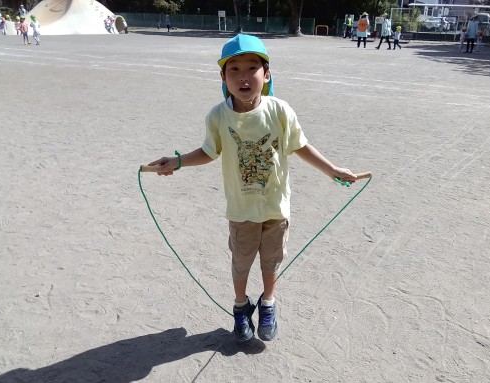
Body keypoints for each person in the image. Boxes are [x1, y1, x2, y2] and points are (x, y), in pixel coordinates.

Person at [147, 34, 357, 342]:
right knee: (241, 262)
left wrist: (333, 170)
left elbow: (300, 145)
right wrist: (177, 162)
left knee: (271, 261)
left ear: (267, 74)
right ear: (223, 77)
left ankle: (268, 303)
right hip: (241, 209)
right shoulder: (218, 116)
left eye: (252, 68)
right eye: (234, 69)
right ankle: (240, 305)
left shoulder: (280, 111)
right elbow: (209, 151)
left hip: (275, 207)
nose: (243, 77)